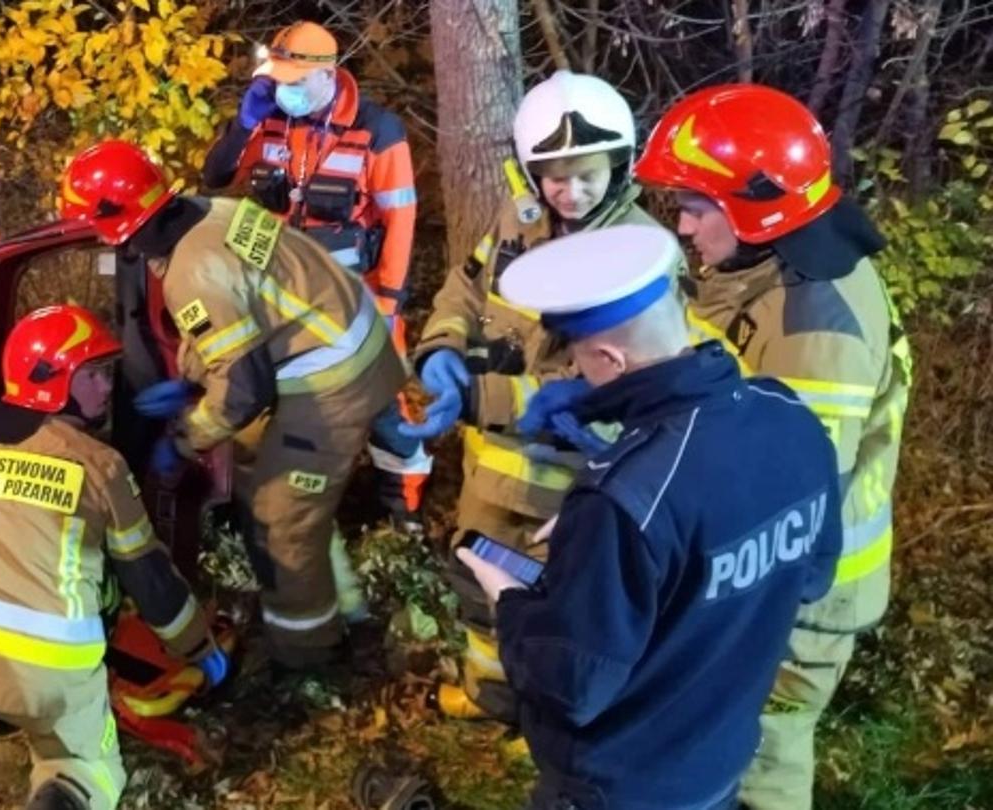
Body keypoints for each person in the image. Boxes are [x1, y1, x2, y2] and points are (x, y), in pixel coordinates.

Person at [457, 223, 841, 810]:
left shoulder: (622, 498)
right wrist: (635, 544)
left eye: (583, 363)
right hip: (720, 758)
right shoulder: (787, 415)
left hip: (618, 783)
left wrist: (509, 601)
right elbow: (809, 576)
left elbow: (573, 684)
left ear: (609, 357)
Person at [632, 84, 913, 810]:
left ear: (756, 205)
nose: (683, 225)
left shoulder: (817, 322)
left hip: (801, 595)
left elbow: (790, 487)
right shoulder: (765, 268)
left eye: (696, 206)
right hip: (769, 576)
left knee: (762, 756)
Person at [64, 140, 405, 667]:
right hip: (344, 338)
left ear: (125, 229)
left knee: (280, 515)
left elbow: (244, 391)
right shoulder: (212, 210)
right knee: (259, 470)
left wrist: (185, 437)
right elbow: (245, 318)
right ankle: (342, 606)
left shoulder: (191, 271)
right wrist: (192, 376)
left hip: (328, 379)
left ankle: (309, 651)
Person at [399, 70, 657, 721]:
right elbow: (466, 288)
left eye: (587, 175)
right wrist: (441, 354)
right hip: (495, 464)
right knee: (477, 575)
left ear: (620, 166)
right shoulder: (519, 220)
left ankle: (552, 713)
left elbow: (600, 387)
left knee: (558, 602)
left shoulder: (640, 255)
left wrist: (480, 397)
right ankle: (491, 696)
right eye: (555, 176)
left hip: (577, 474)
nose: (569, 192)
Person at [0, 304, 227, 810]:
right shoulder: (101, 467)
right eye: (93, 375)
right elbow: (151, 582)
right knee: (86, 767)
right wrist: (199, 650)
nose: (105, 388)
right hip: (50, 680)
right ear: (50, 380)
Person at [199, 21, 429, 532]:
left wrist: (389, 305)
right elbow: (214, 176)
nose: (286, 92)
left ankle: (404, 514)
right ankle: (277, 514)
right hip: (281, 301)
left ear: (328, 75)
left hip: (357, 302)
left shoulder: (377, 130)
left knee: (385, 414)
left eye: (295, 82)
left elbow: (401, 222)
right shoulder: (271, 122)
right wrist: (242, 126)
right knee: (276, 404)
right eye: (278, 81)